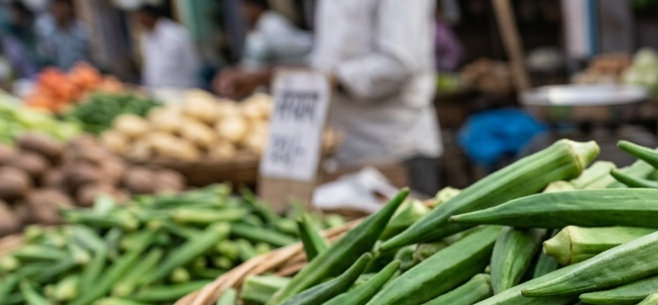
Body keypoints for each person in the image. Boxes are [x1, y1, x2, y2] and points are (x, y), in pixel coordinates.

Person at [215, 0, 443, 196]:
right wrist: (270, 78)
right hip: (343, 150)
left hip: (393, 148)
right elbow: (326, 62)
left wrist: (271, 77)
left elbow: (397, 64)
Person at [135, 4, 200, 89]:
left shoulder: (173, 33)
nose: (139, 21)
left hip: (179, 86)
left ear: (149, 16)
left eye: (141, 17)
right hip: (157, 88)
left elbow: (188, 61)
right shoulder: (147, 35)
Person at [238, 0, 312, 69]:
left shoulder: (270, 24)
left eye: (246, 7)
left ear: (256, 7)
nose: (243, 12)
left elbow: (255, 59)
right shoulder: (263, 23)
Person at [35, 0, 90, 71]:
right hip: (55, 75)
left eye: (62, 6)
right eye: (57, 6)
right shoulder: (45, 31)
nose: (60, 10)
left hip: (78, 73)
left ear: (70, 8)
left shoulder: (80, 32)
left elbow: (86, 58)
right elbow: (44, 59)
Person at [1, 3, 40, 79]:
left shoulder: (29, 34)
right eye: (17, 13)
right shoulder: (8, 36)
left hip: (33, 76)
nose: (20, 16)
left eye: (23, 14)